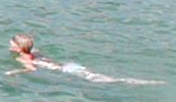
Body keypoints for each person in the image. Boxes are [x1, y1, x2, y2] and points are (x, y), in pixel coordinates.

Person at [8, 34, 157, 86]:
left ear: (19, 48)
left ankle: (141, 82)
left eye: (12, 44)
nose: (10, 45)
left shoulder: (23, 58)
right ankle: (142, 82)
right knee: (101, 77)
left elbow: (31, 69)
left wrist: (15, 72)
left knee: (110, 81)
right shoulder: (34, 52)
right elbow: (34, 50)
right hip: (69, 66)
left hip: (65, 71)